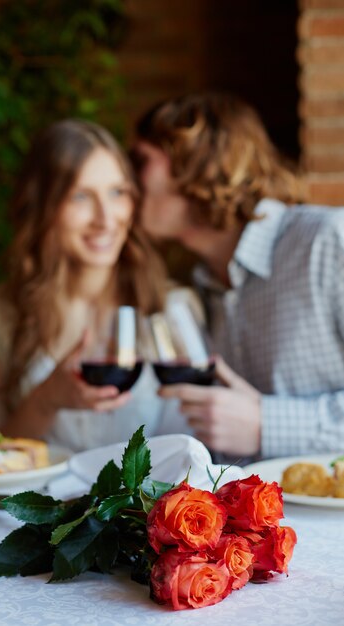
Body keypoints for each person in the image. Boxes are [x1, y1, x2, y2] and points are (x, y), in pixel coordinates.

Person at [133, 91, 344, 461]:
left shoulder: (326, 240)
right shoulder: (205, 284)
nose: (128, 183)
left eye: (140, 161)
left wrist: (267, 424)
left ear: (196, 163)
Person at [0, 119, 194, 452]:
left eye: (117, 192)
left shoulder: (169, 307)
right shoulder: (0, 313)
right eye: (80, 196)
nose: (105, 218)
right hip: (45, 503)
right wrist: (45, 401)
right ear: (42, 207)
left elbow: (198, 447)